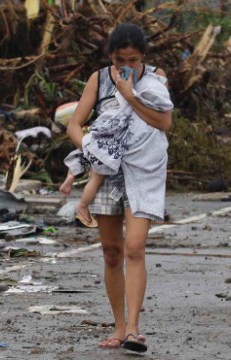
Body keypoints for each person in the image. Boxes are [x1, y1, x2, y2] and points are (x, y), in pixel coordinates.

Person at [65, 23, 173, 352]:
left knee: (135, 247)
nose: (127, 66)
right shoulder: (98, 79)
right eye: (120, 59)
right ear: (110, 55)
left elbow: (164, 121)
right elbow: (74, 123)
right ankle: (119, 325)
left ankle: (135, 329)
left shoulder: (156, 78)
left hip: (144, 170)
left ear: (143, 56)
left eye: (133, 60)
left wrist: (129, 96)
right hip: (107, 171)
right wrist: (92, 148)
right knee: (112, 253)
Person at [60, 63, 172, 228]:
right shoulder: (104, 83)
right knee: (96, 179)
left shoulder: (104, 125)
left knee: (90, 170)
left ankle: (76, 189)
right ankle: (83, 205)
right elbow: (75, 127)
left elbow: (164, 121)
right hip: (111, 155)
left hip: (105, 151)